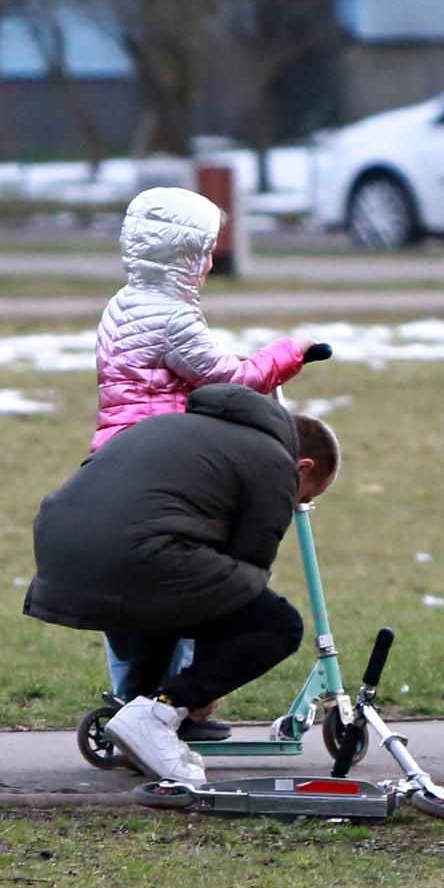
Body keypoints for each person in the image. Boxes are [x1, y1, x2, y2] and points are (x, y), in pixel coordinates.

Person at [23, 383, 340, 786]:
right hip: (136, 556)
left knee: (169, 594)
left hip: (62, 551)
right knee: (277, 625)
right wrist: (200, 688)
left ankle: (136, 716)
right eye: (304, 497)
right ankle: (159, 713)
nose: (294, 506)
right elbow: (245, 571)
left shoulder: (175, 425)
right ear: (304, 467)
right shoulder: (273, 460)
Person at [90, 186, 318, 739]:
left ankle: (142, 702)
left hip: (114, 456)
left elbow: (179, 374)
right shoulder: (172, 317)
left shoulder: (122, 304)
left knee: (158, 604)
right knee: (209, 587)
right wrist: (288, 354)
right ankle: (175, 706)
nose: (212, 262)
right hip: (165, 462)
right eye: (206, 252)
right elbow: (231, 380)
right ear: (183, 257)